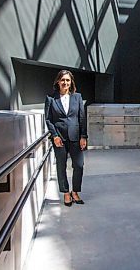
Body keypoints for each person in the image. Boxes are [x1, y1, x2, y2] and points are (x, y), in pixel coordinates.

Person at [44, 70, 88, 207]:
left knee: (79, 165)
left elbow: (81, 117)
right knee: (61, 166)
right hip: (59, 138)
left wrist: (83, 136)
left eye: (68, 80)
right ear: (58, 81)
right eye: (63, 80)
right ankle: (66, 193)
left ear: (71, 82)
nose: (65, 83)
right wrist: (55, 136)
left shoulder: (77, 97)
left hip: (75, 137)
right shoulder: (51, 98)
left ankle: (75, 191)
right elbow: (48, 119)